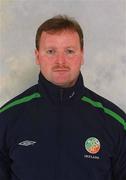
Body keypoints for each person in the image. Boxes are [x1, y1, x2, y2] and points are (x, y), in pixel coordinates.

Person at [0, 15, 126, 180]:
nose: (60, 61)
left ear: (82, 55)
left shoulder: (115, 123)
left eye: (69, 51)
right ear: (37, 56)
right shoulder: (7, 118)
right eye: (51, 51)